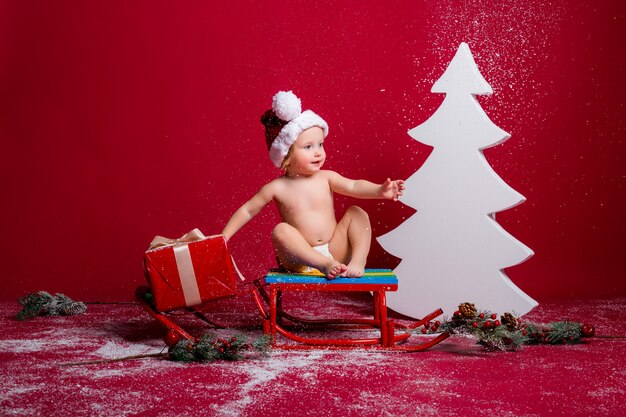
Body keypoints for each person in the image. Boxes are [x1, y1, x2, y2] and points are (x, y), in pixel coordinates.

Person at [221, 91, 405, 279]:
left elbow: (354, 186)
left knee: (357, 213)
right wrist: (224, 237)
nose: (318, 152)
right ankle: (322, 264)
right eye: (308, 147)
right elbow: (248, 210)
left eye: (320, 145)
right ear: (286, 154)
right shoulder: (277, 187)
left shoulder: (326, 177)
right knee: (280, 231)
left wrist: (379, 191)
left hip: (335, 250)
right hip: (300, 259)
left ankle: (358, 260)